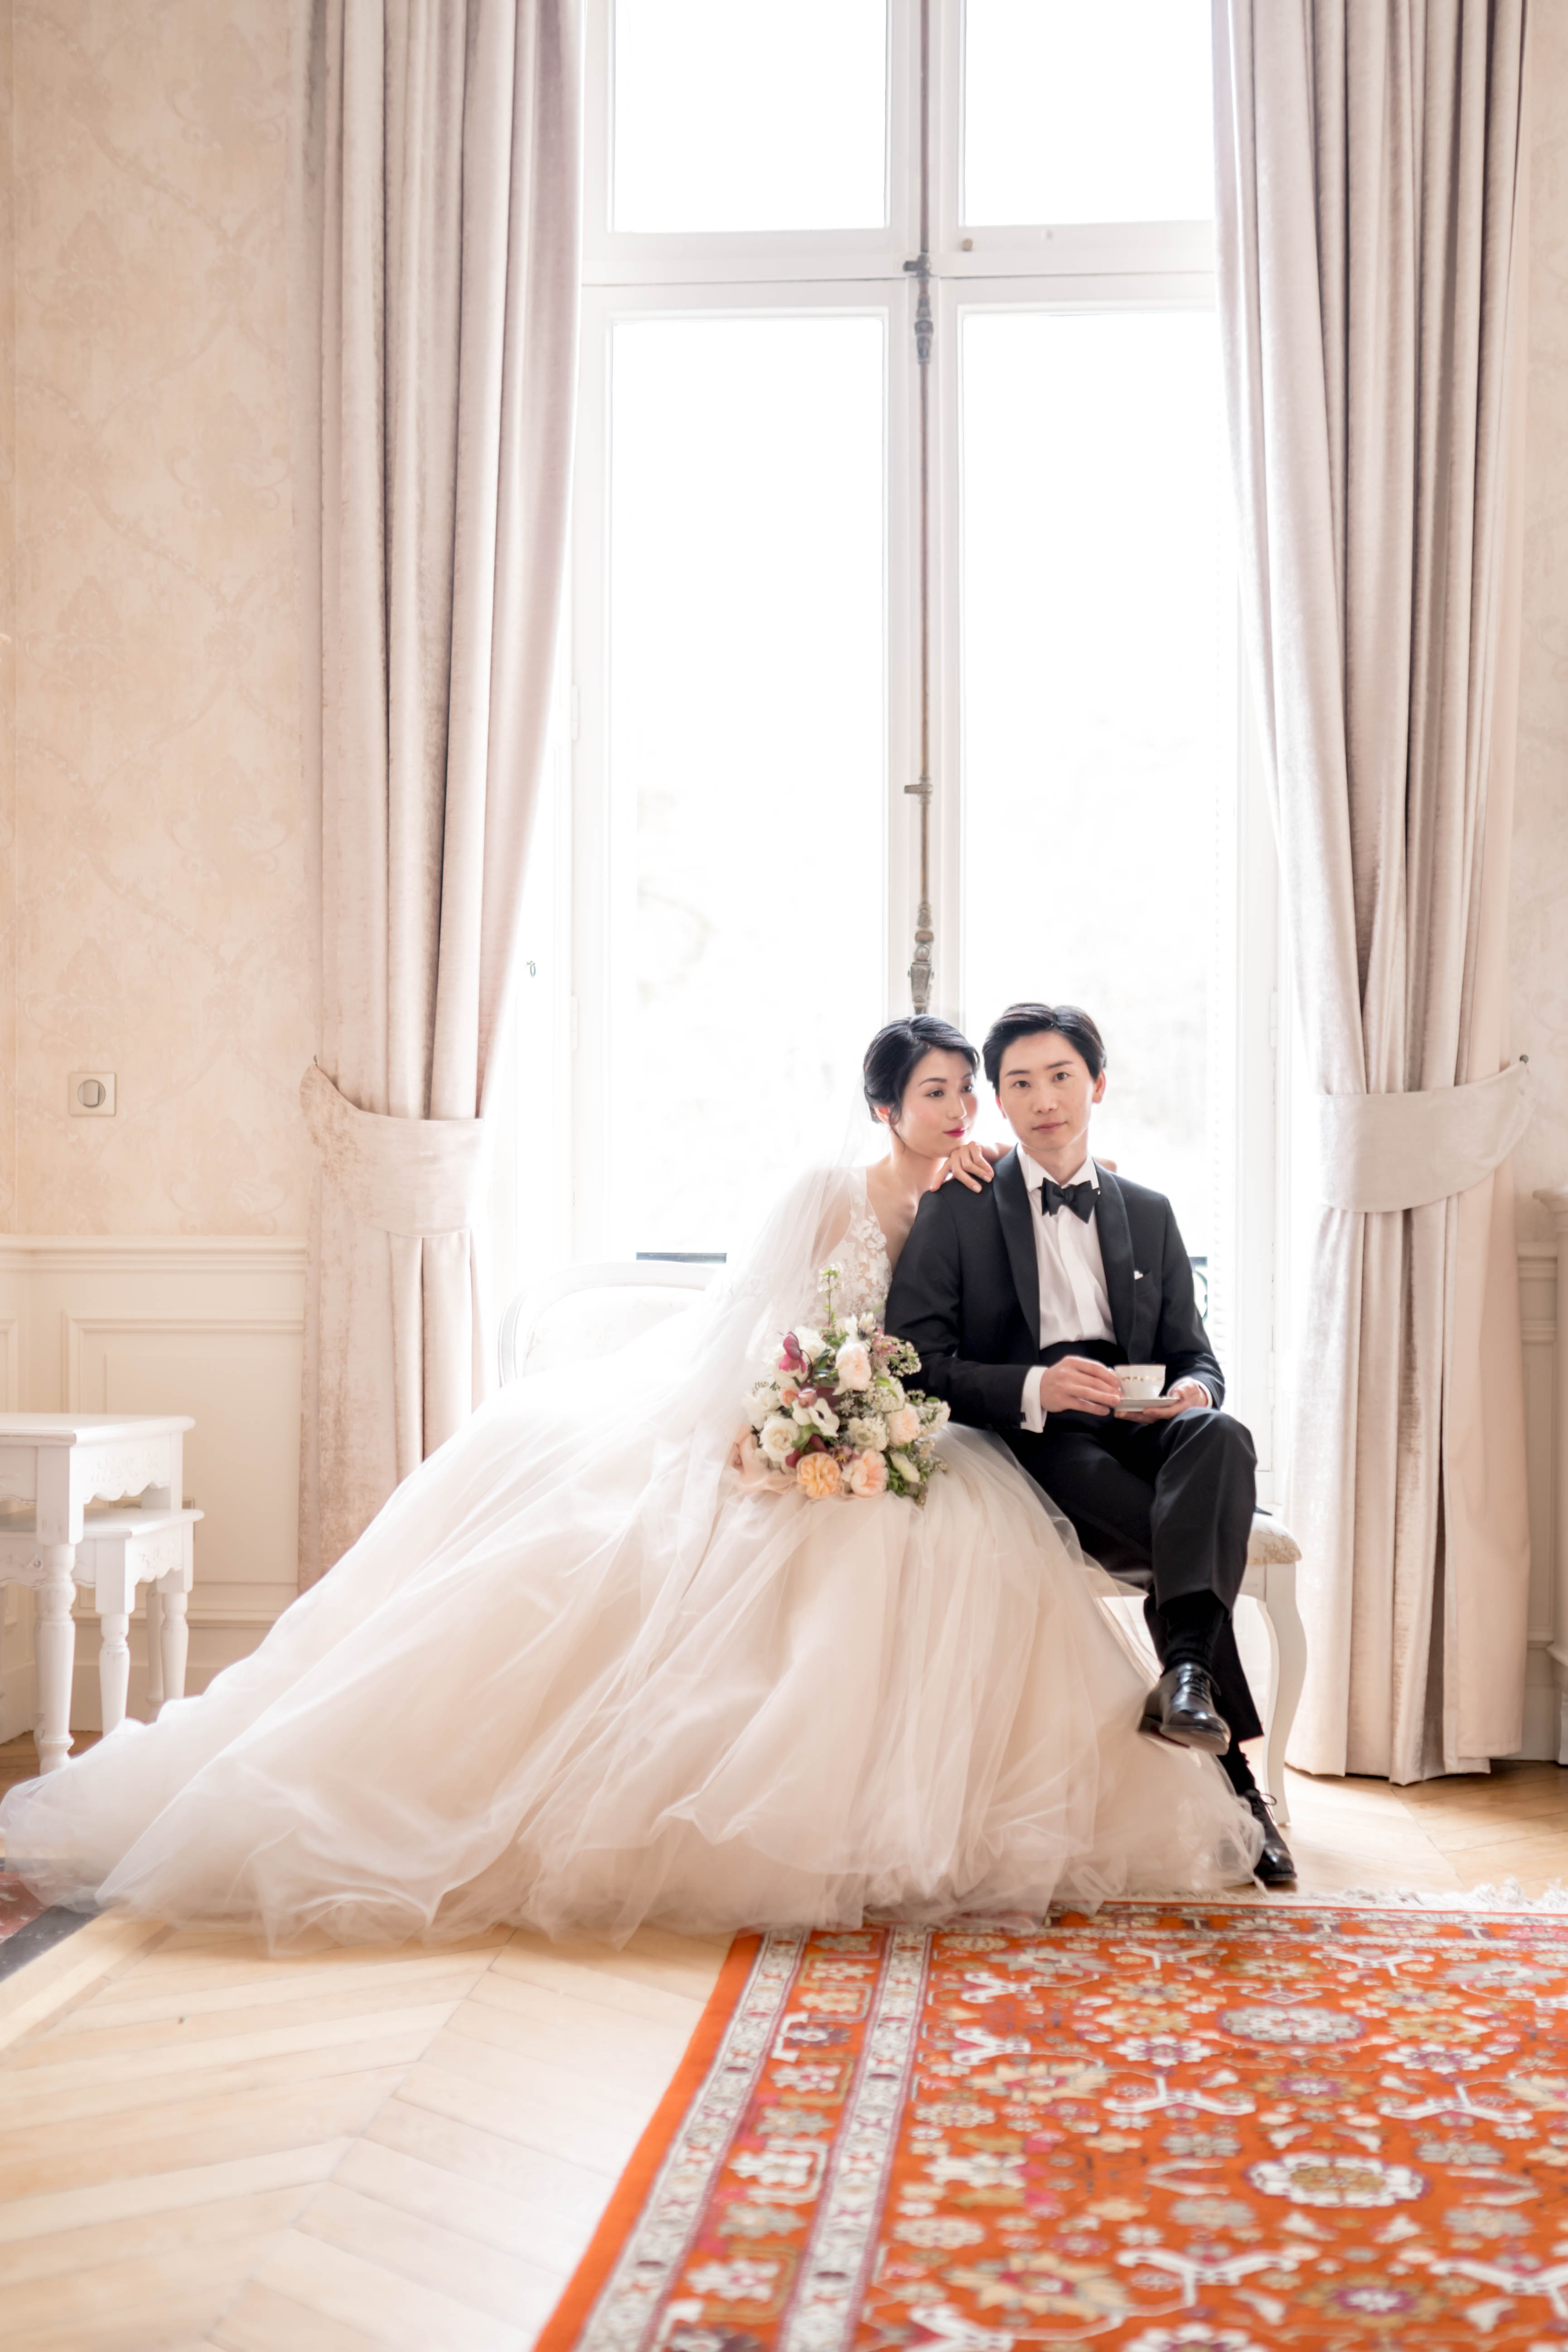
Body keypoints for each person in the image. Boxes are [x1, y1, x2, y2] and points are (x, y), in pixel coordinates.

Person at [0, 1016, 1260, 1948]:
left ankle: (1200, 1716)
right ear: (886, 1108)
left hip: (929, 1426)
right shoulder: (849, 1195)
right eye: (945, 1093)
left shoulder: (992, 1192)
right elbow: (789, 1329)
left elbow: (959, 1352)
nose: (965, 1113)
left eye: (970, 1093)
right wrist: (800, 1416)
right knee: (729, 1559)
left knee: (1057, 1500)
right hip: (809, 1408)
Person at [886, 1001, 1296, 1886]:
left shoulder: (1147, 1210)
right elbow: (913, 1365)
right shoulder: (954, 1209)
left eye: (1060, 1077)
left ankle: (1184, 1679)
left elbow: (1196, 1354)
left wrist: (1191, 1390)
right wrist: (1035, 1384)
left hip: (1146, 1422)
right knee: (1183, 1534)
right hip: (1042, 1442)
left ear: (1096, 1085)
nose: (1044, 1100)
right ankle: (1237, 1785)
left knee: (1218, 1432)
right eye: (1021, 1084)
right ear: (997, 1101)